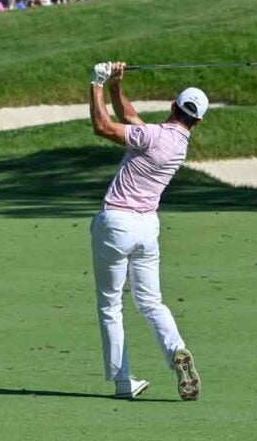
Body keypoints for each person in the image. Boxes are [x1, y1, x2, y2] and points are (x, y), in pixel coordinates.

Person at [86, 60, 203, 401]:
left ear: (172, 105)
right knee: (151, 302)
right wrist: (116, 85)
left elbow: (103, 126)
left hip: (116, 224)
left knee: (110, 305)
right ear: (197, 120)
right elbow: (128, 116)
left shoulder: (153, 135)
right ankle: (176, 350)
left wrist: (95, 82)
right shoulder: (177, 144)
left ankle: (122, 381)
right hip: (147, 229)